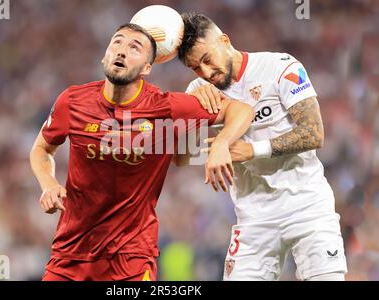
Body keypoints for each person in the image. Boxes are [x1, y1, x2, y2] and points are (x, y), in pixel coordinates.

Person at [29, 23, 254, 281]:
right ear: (105, 55)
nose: (122, 51)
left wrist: (222, 143)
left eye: (134, 47)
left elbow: (242, 110)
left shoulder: (166, 107)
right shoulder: (72, 101)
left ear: (147, 68)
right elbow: (42, 148)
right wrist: (48, 183)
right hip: (69, 255)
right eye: (117, 42)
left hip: (131, 260)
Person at [177, 12, 348, 281]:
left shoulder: (280, 67)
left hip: (307, 207)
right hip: (252, 218)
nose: (206, 73)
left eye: (207, 60)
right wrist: (194, 109)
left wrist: (254, 150)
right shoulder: (199, 89)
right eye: (195, 68)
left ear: (224, 40)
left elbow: (314, 133)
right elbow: (184, 157)